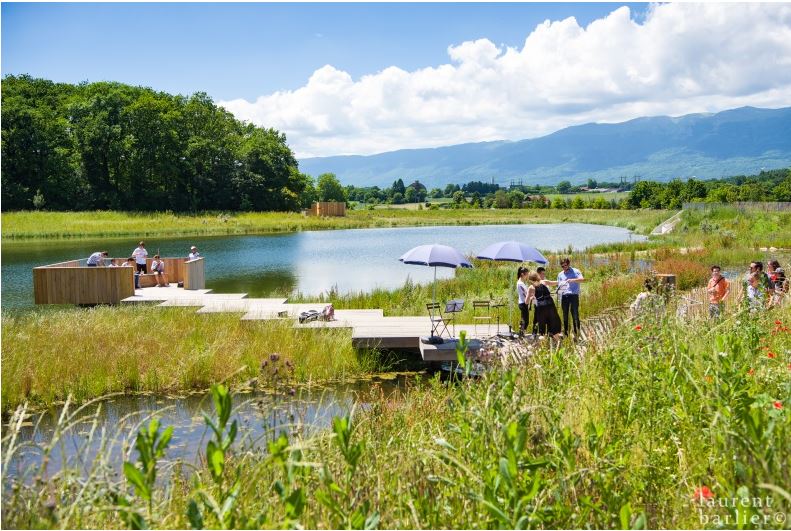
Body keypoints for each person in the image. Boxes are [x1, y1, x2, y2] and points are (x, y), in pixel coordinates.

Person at [556, 258, 586, 338]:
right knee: (565, 315)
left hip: (573, 296)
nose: (564, 267)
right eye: (562, 266)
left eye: (565, 265)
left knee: (575, 315)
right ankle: (566, 333)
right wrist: (558, 293)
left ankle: (577, 333)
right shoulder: (560, 274)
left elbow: (582, 280)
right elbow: (558, 285)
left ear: (569, 264)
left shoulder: (576, 271)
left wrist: (572, 280)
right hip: (564, 296)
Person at [528, 272, 562, 340]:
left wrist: (531, 299)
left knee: (542, 327)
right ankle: (556, 342)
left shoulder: (531, 287)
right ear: (537, 276)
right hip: (550, 306)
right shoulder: (544, 282)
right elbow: (556, 282)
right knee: (553, 323)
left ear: (530, 279)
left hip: (541, 308)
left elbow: (526, 301)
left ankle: (543, 346)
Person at [516, 266, 531, 336]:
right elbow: (525, 293)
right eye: (527, 274)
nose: (527, 276)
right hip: (523, 303)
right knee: (526, 320)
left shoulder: (521, 282)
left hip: (522, 303)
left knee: (523, 319)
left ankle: (521, 333)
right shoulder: (520, 283)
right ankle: (522, 334)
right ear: (522, 274)